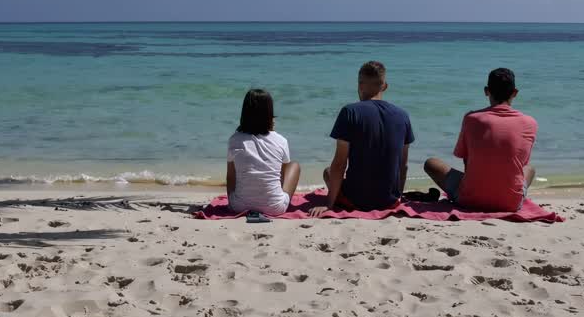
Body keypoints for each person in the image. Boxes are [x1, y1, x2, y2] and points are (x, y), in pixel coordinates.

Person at [424, 67, 537, 212]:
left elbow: (466, 162)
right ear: (514, 93)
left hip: (470, 200)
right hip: (510, 204)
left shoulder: (472, 119)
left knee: (431, 163)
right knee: (530, 169)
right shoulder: (530, 123)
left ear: (486, 91)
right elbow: (520, 164)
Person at [312, 61, 415, 215]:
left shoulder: (350, 112)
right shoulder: (403, 115)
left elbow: (340, 163)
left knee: (328, 172)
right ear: (385, 86)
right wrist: (397, 197)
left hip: (357, 201)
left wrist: (329, 204)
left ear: (360, 85)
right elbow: (403, 165)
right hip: (389, 201)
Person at [226, 89, 301, 216]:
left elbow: (230, 176)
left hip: (238, 206)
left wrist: (232, 203)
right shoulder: (281, 140)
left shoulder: (234, 140)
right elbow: (281, 177)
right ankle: (277, 198)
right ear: (269, 113)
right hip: (274, 208)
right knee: (295, 166)